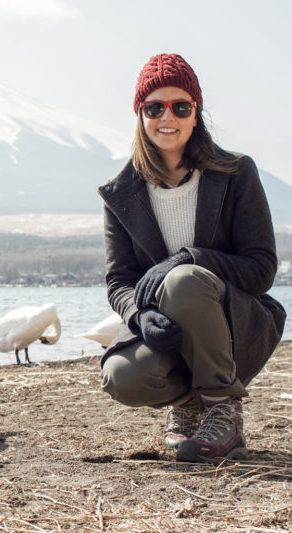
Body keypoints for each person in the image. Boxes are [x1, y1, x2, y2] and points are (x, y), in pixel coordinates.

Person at [97, 53, 286, 463]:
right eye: (155, 107)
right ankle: (188, 405)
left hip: (236, 325)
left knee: (183, 279)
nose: (169, 116)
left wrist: (189, 257)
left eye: (181, 106)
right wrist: (138, 316)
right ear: (141, 115)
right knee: (121, 375)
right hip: (171, 333)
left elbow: (262, 269)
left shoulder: (236, 174)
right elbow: (119, 281)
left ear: (196, 114)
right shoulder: (121, 193)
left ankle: (222, 410)